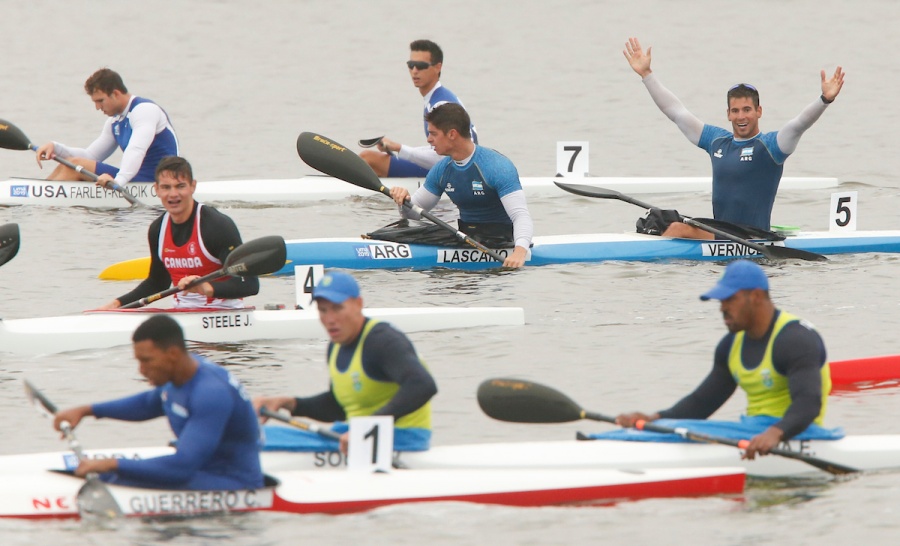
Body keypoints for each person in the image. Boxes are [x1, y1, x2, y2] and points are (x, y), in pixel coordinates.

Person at [623, 37, 845, 239]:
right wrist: (647, 75)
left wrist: (824, 100)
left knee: (677, 230)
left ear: (759, 111)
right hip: (721, 232)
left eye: (747, 109)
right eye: (736, 110)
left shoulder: (770, 146)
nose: (741, 116)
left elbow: (799, 124)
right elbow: (677, 112)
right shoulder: (717, 141)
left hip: (752, 236)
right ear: (728, 114)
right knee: (658, 221)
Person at [616, 260, 833, 460]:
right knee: (654, 429)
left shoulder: (795, 339)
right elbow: (701, 403)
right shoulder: (730, 345)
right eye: (721, 301)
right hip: (755, 433)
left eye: (730, 299)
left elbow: (809, 403)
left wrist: (775, 433)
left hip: (800, 432)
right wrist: (653, 419)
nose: (722, 308)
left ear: (756, 296)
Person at [52, 315, 264, 490]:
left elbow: (182, 467)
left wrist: (111, 464)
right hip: (200, 471)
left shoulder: (211, 393)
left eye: (146, 361)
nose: (141, 370)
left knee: (111, 478)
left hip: (234, 483)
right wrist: (87, 410)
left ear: (172, 354)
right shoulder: (181, 375)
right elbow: (149, 403)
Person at [255, 271, 437, 454]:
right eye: (323, 310)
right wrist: (289, 403)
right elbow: (338, 407)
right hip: (354, 435)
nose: (330, 319)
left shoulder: (382, 340)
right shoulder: (335, 347)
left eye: (337, 308)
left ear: (358, 304)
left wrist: (367, 428)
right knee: (255, 433)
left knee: (254, 438)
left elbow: (423, 385)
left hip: (403, 439)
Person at [98, 156, 259, 310]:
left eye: (180, 186)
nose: (173, 194)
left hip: (223, 314)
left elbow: (250, 283)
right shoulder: (157, 229)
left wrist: (206, 287)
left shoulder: (217, 226)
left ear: (192, 186)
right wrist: (116, 305)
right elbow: (157, 283)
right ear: (157, 190)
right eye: (166, 187)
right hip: (183, 312)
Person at [387, 103, 533, 268]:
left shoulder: (496, 167)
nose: (428, 139)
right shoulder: (442, 169)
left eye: (433, 134)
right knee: (399, 231)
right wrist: (403, 200)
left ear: (452, 134)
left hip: (502, 240)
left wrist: (520, 252)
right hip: (467, 237)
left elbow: (520, 215)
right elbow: (413, 214)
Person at [35, 68, 179, 188]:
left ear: (116, 94)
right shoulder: (114, 121)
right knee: (68, 165)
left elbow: (136, 150)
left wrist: (118, 182)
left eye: (100, 101)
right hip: (135, 177)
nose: (97, 107)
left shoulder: (144, 110)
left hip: (161, 181)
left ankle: (36, 204)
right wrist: (56, 148)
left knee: (75, 166)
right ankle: (38, 196)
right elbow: (90, 156)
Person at [360, 39, 478, 178]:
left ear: (438, 67)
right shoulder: (439, 97)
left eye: (421, 66)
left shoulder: (440, 106)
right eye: (411, 65)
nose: (414, 71)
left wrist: (400, 148)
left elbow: (443, 158)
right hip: (455, 167)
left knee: (368, 159)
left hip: (455, 172)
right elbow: (439, 150)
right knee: (376, 162)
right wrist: (397, 149)